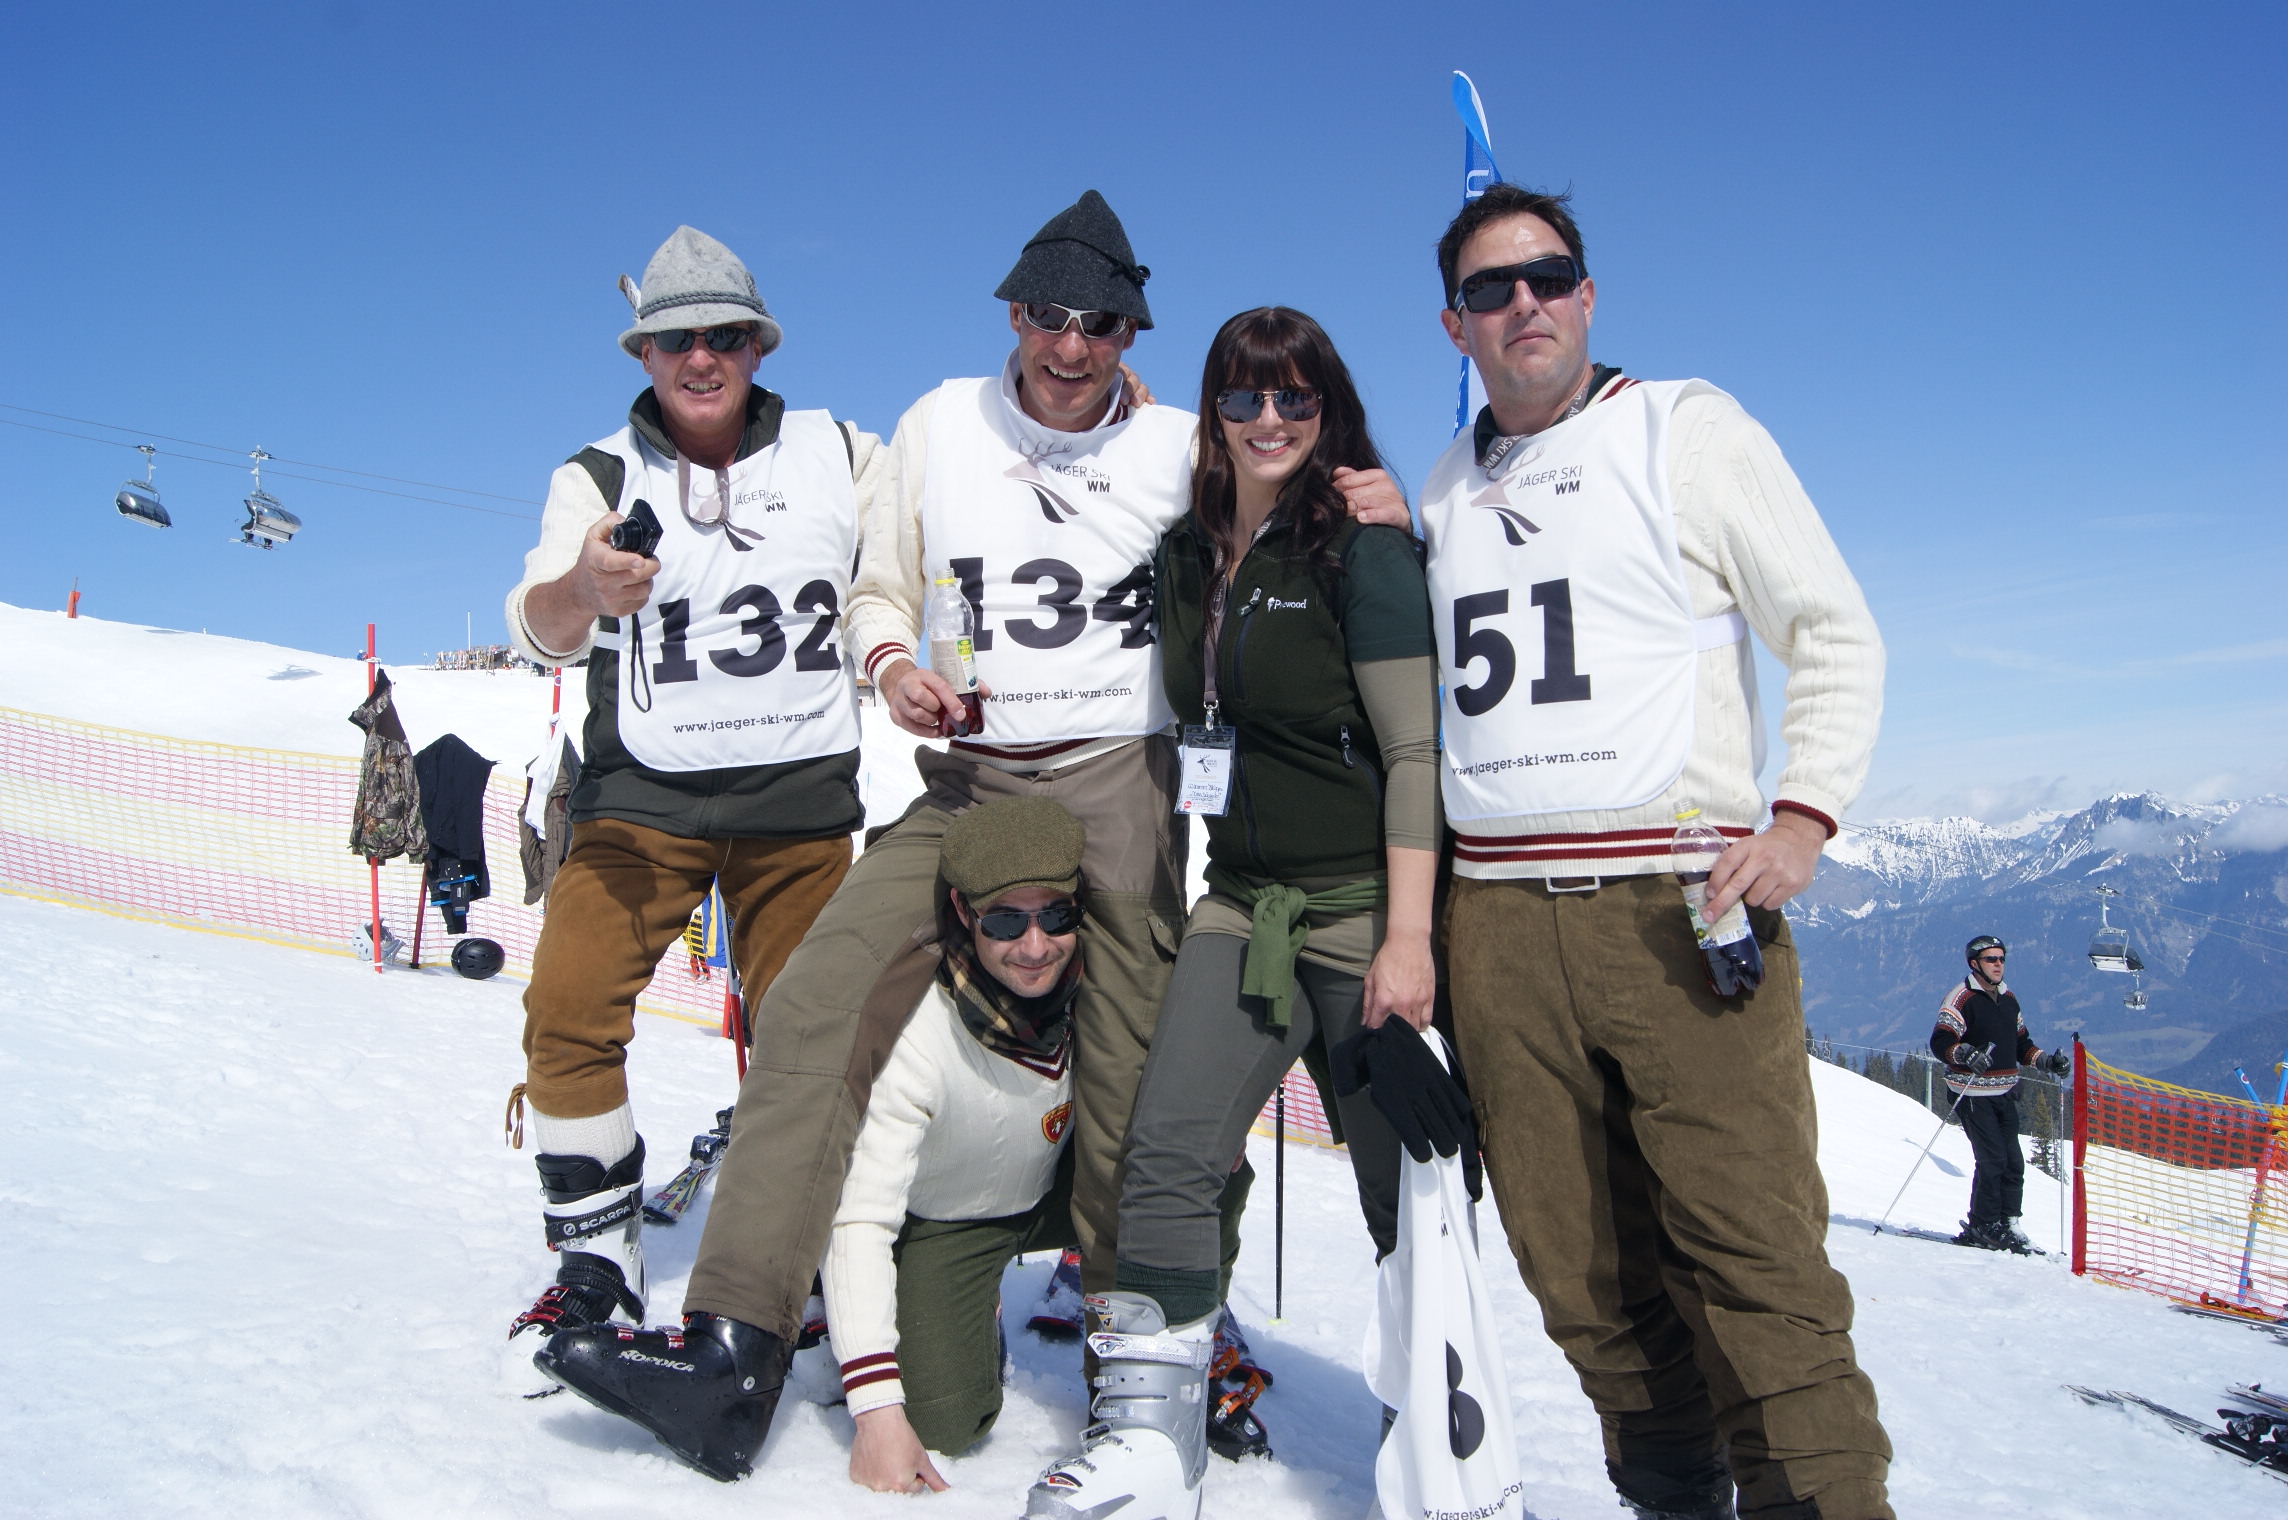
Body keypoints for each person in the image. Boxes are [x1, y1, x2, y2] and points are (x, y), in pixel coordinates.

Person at [533, 189, 1421, 1482]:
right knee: (815, 1001)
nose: (1071, 344)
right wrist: (892, 664)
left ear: (1131, 334)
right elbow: (880, 584)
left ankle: (1137, 1363)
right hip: (971, 778)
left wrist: (1374, 504)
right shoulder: (940, 425)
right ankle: (733, 1345)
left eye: (1101, 323)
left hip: (1117, 774)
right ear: (1012, 314)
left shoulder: (1174, 444)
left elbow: (1281, 512)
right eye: (1049, 315)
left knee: (1132, 1057)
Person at [1419, 183, 1893, 1520]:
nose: (1524, 303)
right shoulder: (1445, 485)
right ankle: (1674, 1494)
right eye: (1491, 288)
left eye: (1548, 276)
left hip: (1674, 901)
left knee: (1752, 1251)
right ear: (1454, 324)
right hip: (1498, 922)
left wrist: (1802, 812)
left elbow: (1832, 627)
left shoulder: (1684, 428)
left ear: (1587, 294)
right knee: (1575, 1264)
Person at [1025, 307, 1462, 1520]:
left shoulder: (1361, 549)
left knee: (1403, 1193)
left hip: (1364, 911)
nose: (1268, 419)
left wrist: (1408, 939)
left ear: (1329, 409)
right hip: (1241, 902)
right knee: (1164, 1150)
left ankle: (1435, 1444)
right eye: (1241, 396)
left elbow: (1413, 751)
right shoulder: (1181, 553)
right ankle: (1149, 1438)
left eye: (1294, 397)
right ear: (1210, 411)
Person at [497, 226, 883, 1361]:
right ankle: (595, 1259)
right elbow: (536, 628)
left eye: (722, 335)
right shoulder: (597, 474)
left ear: (759, 345)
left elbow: (945, 513)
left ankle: (818, 1254)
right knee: (567, 1006)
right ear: (644, 354)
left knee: (817, 1035)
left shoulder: (839, 450)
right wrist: (582, 587)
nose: (699, 357)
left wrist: (1104, 416)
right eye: (674, 339)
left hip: (796, 805)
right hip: (643, 803)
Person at [538, 797, 1092, 1489]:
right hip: (952, 1220)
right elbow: (860, 1218)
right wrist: (877, 1411)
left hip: (1061, 1192)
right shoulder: (916, 1036)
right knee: (947, 1421)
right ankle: (948, 1302)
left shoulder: (1100, 995)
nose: (1036, 946)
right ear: (963, 911)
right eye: (1006, 921)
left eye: (1056, 918)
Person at [1933, 934, 2071, 1255]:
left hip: (2005, 1092)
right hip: (1971, 1093)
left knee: (2013, 1163)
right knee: (1992, 1159)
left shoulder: (2008, 998)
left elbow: (2021, 1043)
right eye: (1991, 959)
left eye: (2001, 959)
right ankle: (1983, 1225)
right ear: (1974, 963)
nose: (1998, 965)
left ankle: (2009, 1223)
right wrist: (1964, 1053)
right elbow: (1942, 1040)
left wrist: (2047, 1062)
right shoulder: (1961, 998)